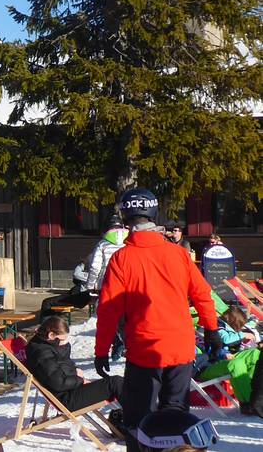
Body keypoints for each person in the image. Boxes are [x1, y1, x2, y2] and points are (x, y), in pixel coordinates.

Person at [94, 188, 219, 447]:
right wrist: (211, 329)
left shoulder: (122, 259)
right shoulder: (178, 254)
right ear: (154, 215)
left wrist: (102, 350)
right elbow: (203, 294)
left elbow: (108, 310)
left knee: (139, 420)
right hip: (180, 348)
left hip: (145, 350)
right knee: (176, 418)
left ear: (125, 218)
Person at [25, 316, 124, 412]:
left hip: (70, 390)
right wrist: (80, 380)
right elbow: (58, 382)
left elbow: (62, 365)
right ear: (51, 335)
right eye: (62, 340)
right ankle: (132, 417)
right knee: (114, 383)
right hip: (66, 398)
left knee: (117, 383)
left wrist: (75, 370)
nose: (65, 342)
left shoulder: (46, 345)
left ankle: (131, 414)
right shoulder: (41, 352)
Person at [85, 216, 128, 293]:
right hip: (125, 282)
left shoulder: (102, 244)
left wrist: (90, 286)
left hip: (105, 283)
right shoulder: (128, 243)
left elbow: (95, 267)